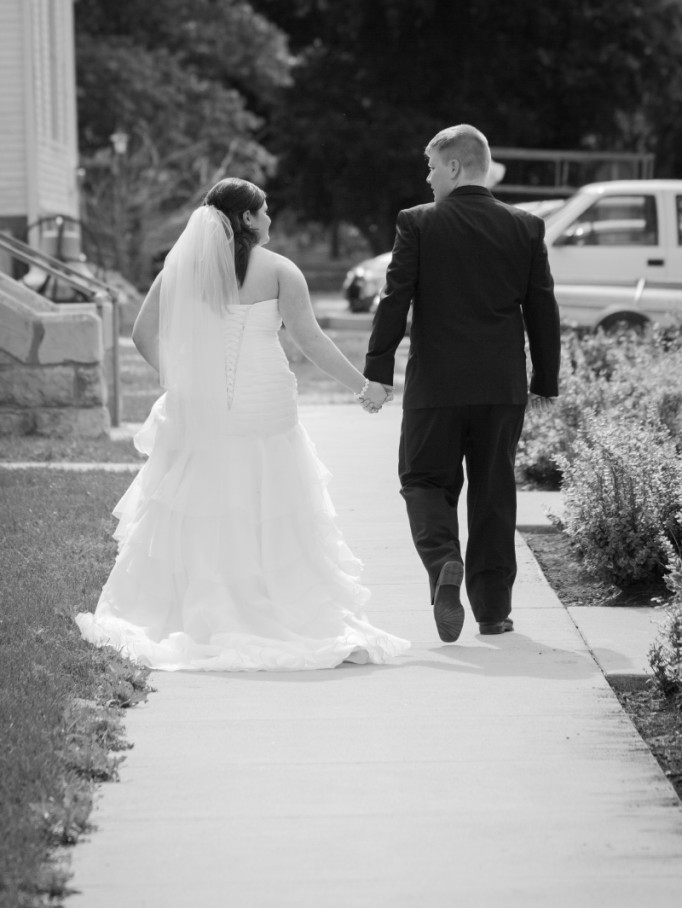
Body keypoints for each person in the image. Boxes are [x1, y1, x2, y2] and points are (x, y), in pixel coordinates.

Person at [76, 178, 407, 671]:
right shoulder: (279, 271)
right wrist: (366, 388)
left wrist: (182, 382)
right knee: (270, 506)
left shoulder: (180, 270)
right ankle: (273, 603)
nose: (271, 218)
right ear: (248, 219)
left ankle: (199, 608)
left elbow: (144, 335)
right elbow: (311, 342)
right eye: (265, 210)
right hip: (266, 409)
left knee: (200, 504)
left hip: (201, 411)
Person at [363, 125, 561, 642]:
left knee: (423, 481)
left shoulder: (418, 223)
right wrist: (544, 379)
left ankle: (444, 561)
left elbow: (394, 299)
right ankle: (493, 612)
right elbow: (542, 307)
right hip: (501, 387)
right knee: (494, 494)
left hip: (436, 386)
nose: (427, 179)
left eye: (431, 167)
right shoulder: (526, 226)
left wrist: (379, 372)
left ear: (454, 166)